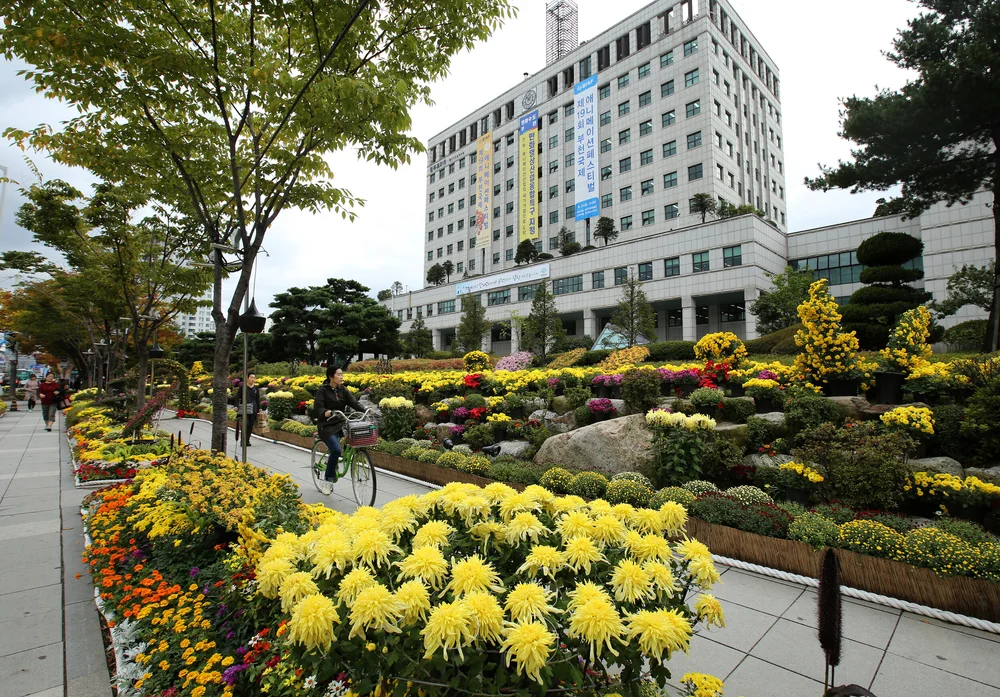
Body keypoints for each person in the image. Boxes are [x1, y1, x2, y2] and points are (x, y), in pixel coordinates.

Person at [312, 365, 361, 482]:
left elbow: (354, 403)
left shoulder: (343, 389)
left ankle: (334, 461)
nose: (341, 377)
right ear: (331, 376)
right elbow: (318, 408)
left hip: (341, 423)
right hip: (327, 425)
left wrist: (366, 410)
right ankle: (328, 478)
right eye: (338, 374)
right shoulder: (322, 391)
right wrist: (326, 412)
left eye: (342, 374)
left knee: (357, 437)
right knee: (336, 450)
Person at [234, 372, 261, 447]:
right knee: (245, 424)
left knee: (250, 425)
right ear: (247, 378)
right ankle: (243, 441)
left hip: (253, 409)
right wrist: (236, 406)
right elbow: (237, 397)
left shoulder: (256, 388)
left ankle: (247, 440)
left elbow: (257, 399)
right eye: (251, 377)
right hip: (245, 408)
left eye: (254, 378)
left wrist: (259, 408)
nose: (252, 379)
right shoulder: (243, 387)